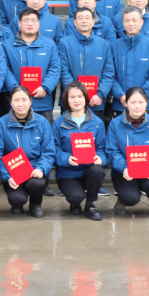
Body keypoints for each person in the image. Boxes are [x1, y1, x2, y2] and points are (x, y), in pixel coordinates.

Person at [105, 87, 149, 218]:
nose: (137, 106)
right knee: (130, 198)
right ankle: (123, 200)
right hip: (124, 172)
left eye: (141, 102)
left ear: (147, 103)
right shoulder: (115, 124)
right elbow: (112, 151)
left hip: (148, 170)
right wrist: (124, 167)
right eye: (133, 102)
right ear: (126, 103)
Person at [0, 86, 55, 218]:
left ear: (30, 101)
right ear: (10, 102)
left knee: (37, 183)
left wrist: (41, 168)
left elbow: (49, 151)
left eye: (24, 99)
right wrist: (7, 176)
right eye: (16, 100)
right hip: (13, 171)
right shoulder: (1, 124)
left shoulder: (42, 122)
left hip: (34, 169)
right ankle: (17, 204)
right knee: (17, 200)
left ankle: (35, 204)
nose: (20, 104)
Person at [52, 83, 108, 220]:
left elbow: (102, 148)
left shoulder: (97, 122)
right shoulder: (58, 123)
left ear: (86, 98)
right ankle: (75, 203)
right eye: (72, 97)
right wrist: (67, 158)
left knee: (98, 170)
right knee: (76, 197)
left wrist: (100, 158)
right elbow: (54, 149)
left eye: (80, 96)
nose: (76, 100)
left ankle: (90, 204)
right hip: (68, 173)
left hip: (89, 170)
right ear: (66, 100)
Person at [2, 9, 62, 122]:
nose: (30, 23)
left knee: (45, 131)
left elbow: (55, 68)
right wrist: (16, 90)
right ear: (19, 23)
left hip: (42, 102)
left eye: (33, 20)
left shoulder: (49, 44)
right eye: (26, 20)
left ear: (39, 23)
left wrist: (45, 87)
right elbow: (4, 69)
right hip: (17, 103)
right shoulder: (7, 45)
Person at [58, 8, 116, 121]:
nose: (84, 21)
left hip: (96, 101)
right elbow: (64, 71)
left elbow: (109, 73)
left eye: (87, 18)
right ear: (74, 22)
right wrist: (74, 95)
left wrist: (100, 94)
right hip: (71, 102)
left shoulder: (104, 45)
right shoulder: (64, 43)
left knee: (95, 131)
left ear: (93, 22)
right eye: (80, 18)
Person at [110, 6, 149, 117]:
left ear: (142, 22)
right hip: (121, 103)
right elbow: (109, 74)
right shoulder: (114, 46)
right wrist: (120, 95)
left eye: (134, 20)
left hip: (145, 103)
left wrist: (140, 96)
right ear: (123, 22)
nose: (131, 24)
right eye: (127, 20)